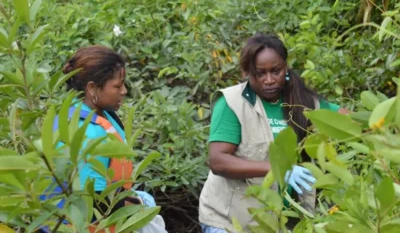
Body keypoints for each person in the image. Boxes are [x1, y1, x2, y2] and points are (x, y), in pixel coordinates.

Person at [199, 34, 349, 232]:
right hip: (230, 222)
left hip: (281, 223)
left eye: (275, 71)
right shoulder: (232, 103)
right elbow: (218, 161)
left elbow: (352, 122)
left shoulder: (303, 101)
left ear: (285, 68)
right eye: (260, 73)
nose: (269, 80)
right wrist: (280, 169)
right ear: (247, 73)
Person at [41, 45, 167, 233]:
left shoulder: (94, 113)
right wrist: (136, 205)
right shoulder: (88, 134)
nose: (124, 91)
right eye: (117, 86)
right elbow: (94, 206)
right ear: (92, 88)